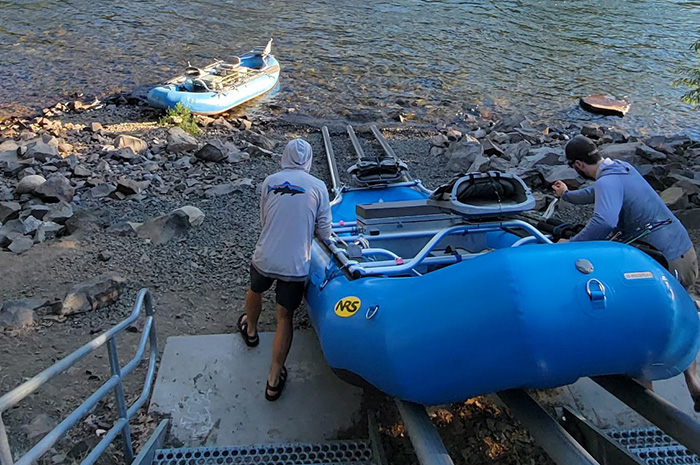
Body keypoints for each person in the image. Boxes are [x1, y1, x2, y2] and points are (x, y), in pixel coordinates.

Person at [551, 135, 700, 411]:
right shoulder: (620, 168)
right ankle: (694, 383)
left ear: (579, 164)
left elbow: (604, 220)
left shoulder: (607, 181)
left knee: (640, 325)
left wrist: (569, 248)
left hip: (665, 263)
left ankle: (650, 407)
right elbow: (596, 193)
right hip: (687, 255)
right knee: (682, 312)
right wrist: (567, 195)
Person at [236, 138, 332, 402]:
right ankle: (273, 378)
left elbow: (264, 219)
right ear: (309, 159)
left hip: (266, 255)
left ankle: (251, 330)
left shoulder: (270, 181)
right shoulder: (319, 187)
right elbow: (324, 232)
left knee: (255, 289)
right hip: (295, 263)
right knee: (284, 316)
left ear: (285, 156)